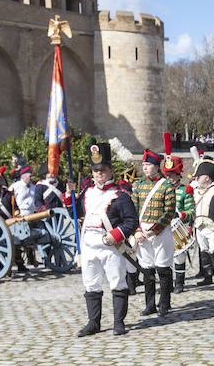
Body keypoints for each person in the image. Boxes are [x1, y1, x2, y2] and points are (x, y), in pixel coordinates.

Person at [77, 141, 138, 336]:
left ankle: (119, 322)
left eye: (102, 169)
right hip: (89, 245)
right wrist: (69, 197)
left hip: (110, 245)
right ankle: (93, 323)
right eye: (95, 170)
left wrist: (115, 235)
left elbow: (131, 221)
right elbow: (78, 212)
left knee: (117, 283)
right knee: (91, 284)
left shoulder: (120, 196)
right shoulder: (86, 193)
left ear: (111, 170)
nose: (98, 173)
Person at [132, 149, 177, 317]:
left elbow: (169, 211)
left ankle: (164, 303)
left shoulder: (166, 186)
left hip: (160, 230)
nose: (145, 167)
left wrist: (153, 230)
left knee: (163, 268)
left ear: (157, 166)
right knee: (146, 269)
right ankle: (149, 304)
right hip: (141, 230)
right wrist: (137, 230)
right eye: (143, 164)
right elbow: (134, 210)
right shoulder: (140, 185)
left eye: (148, 164)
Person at [191, 159, 214, 287]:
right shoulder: (196, 191)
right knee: (204, 250)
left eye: (199, 177)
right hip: (199, 225)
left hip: (212, 226)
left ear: (206, 178)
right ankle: (207, 276)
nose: (197, 179)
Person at [162, 155, 194, 293]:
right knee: (163, 258)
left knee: (179, 257)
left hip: (178, 228)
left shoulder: (185, 191)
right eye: (167, 175)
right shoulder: (161, 191)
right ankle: (166, 285)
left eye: (172, 175)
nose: (169, 178)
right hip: (163, 228)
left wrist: (180, 215)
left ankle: (179, 284)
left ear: (178, 175)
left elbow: (191, 211)